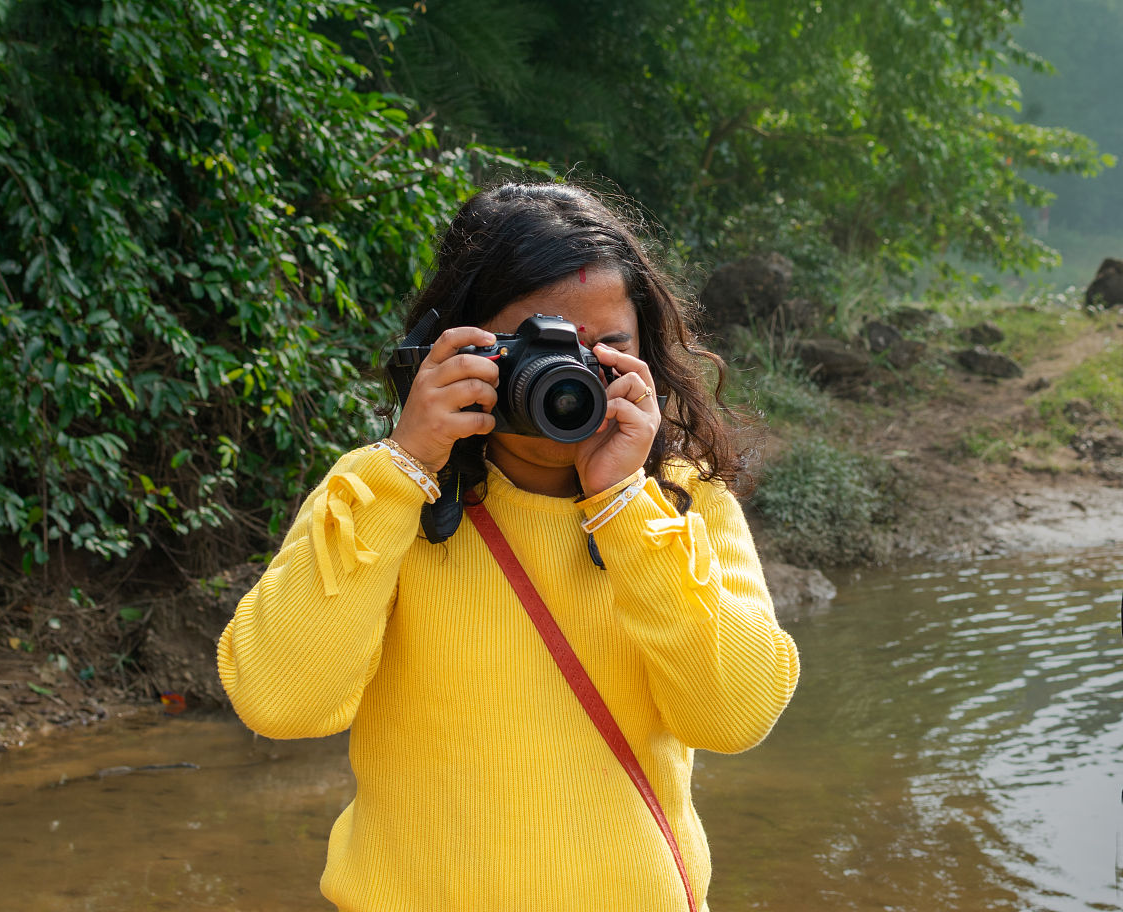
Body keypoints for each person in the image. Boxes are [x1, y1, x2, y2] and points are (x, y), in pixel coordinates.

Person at [217, 182, 799, 911]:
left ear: (646, 352)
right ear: (454, 346)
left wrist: (623, 505)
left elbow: (733, 717)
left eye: (609, 348)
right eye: (537, 343)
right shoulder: (383, 499)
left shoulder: (684, 502)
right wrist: (404, 465)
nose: (572, 375)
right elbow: (282, 703)